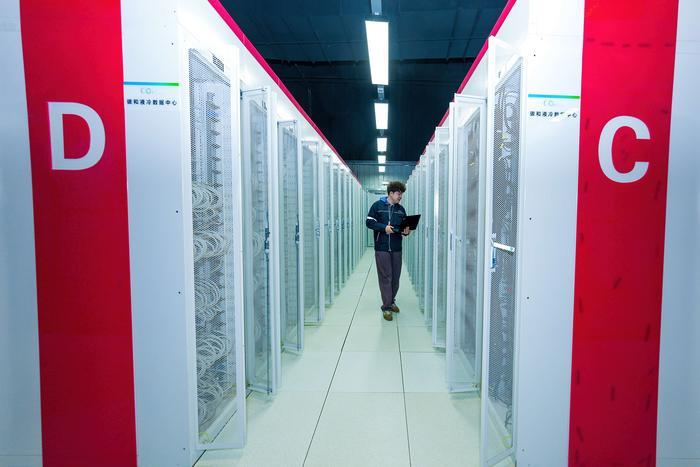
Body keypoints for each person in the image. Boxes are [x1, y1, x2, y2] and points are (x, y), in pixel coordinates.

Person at [365, 181, 411, 321]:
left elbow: (403, 227)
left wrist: (406, 231)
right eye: (398, 194)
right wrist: (384, 228)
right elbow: (369, 222)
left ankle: (391, 301)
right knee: (386, 277)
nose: (400, 196)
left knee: (395, 278)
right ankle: (386, 307)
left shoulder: (401, 210)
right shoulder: (377, 206)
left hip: (396, 247)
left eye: (401, 194)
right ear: (390, 193)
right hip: (382, 247)